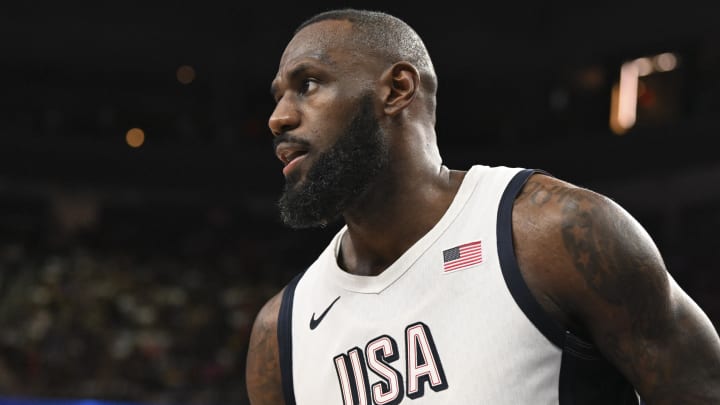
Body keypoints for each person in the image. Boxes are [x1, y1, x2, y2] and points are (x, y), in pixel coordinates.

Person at [245, 8, 720, 405]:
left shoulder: (555, 234)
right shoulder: (278, 332)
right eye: (278, 96)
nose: (278, 117)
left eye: (307, 84)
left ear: (396, 90)